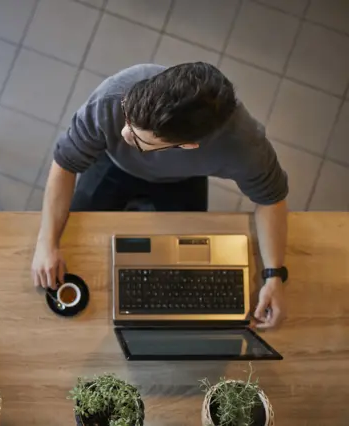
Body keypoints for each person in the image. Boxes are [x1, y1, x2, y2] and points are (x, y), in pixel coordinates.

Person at [31, 62, 289, 330]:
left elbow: (271, 199)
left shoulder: (245, 146)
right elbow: (65, 162)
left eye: (139, 141)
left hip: (182, 181)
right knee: (75, 240)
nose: (123, 133)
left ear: (186, 146)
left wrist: (274, 275)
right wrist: (46, 244)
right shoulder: (113, 96)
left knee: (184, 270)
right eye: (128, 119)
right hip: (112, 166)